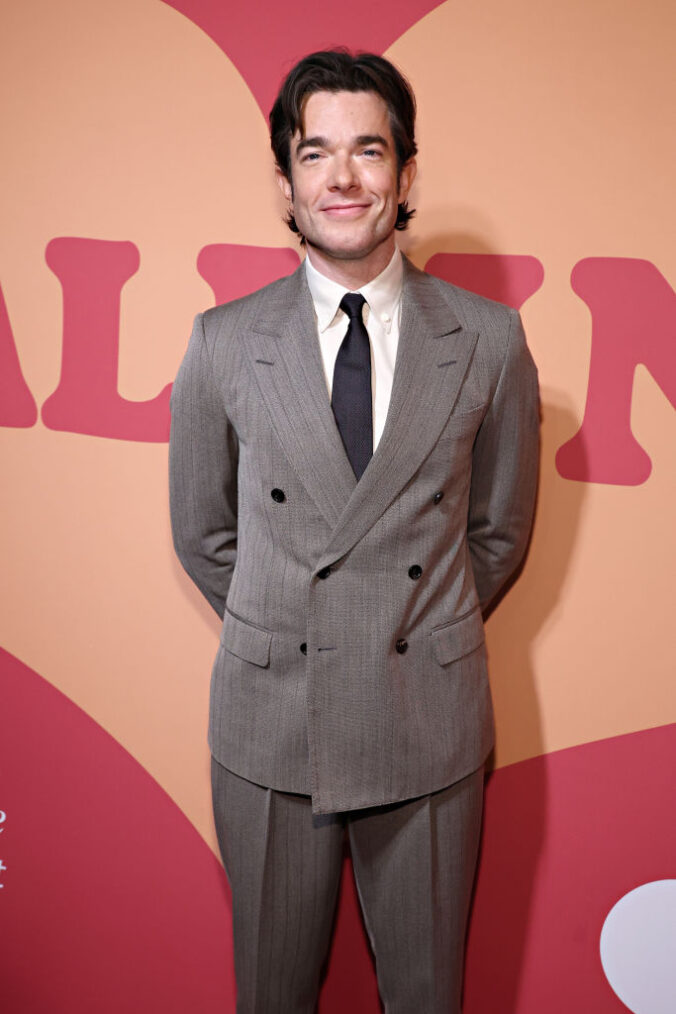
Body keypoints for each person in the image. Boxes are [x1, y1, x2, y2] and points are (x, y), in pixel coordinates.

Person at [169, 49, 539, 1014]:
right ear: (286, 182)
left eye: (367, 151)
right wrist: (291, 624)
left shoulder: (490, 340)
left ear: (405, 174)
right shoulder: (222, 342)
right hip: (269, 728)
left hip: (428, 725)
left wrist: (404, 627)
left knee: (427, 997)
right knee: (272, 997)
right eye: (315, 152)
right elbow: (203, 534)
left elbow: (498, 534)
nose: (342, 177)